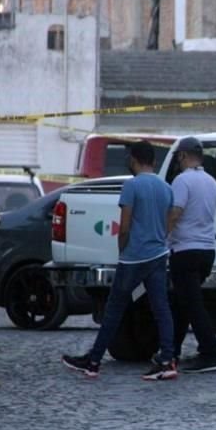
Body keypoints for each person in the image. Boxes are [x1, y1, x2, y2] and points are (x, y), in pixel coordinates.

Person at [62, 140, 177, 380]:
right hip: (158, 254)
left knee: (114, 309)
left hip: (134, 257)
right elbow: (169, 222)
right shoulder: (166, 188)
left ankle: (93, 361)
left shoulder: (132, 186)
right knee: (162, 309)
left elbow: (124, 225)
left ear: (133, 159)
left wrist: (122, 249)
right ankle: (167, 360)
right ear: (154, 161)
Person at [167, 137, 216, 374]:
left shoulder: (182, 180)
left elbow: (175, 212)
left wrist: (160, 238)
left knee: (192, 304)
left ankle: (210, 353)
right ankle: (171, 351)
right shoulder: (211, 182)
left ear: (182, 156)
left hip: (185, 250)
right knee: (182, 303)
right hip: (206, 250)